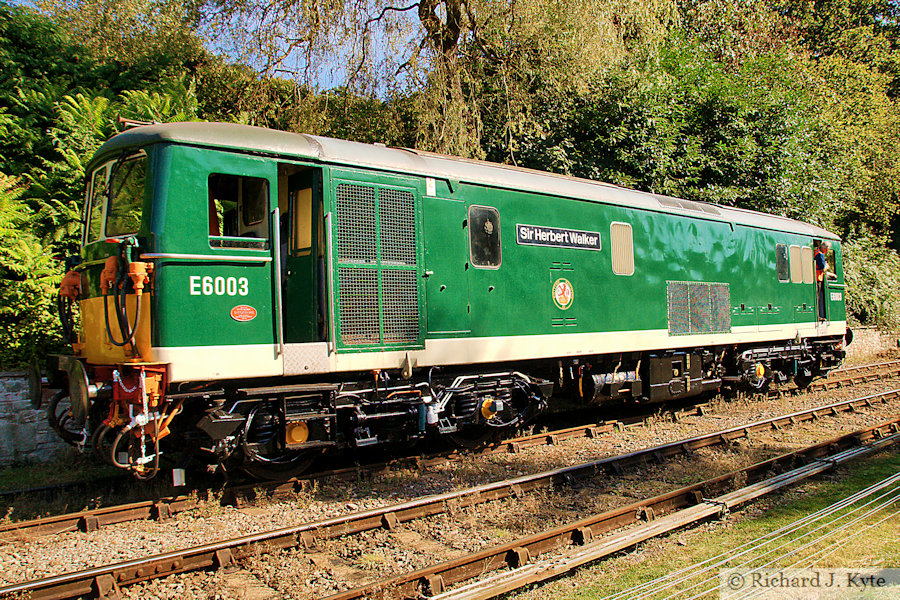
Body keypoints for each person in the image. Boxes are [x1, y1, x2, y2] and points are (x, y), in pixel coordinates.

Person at [814, 240, 836, 320]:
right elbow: (822, 268)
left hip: (816, 277)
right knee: (817, 298)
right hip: (817, 278)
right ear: (826, 248)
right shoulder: (820, 254)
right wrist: (827, 266)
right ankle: (817, 316)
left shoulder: (815, 252)